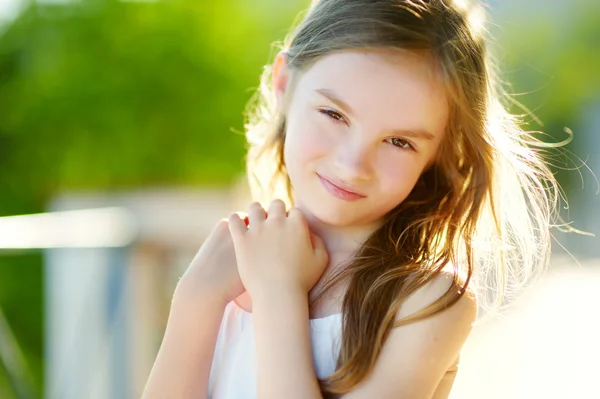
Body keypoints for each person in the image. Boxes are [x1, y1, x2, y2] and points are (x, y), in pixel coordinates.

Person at [142, 0, 572, 398]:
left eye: (399, 141)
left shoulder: (425, 300)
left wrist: (277, 293)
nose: (352, 165)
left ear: (437, 154)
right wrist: (195, 300)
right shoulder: (231, 260)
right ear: (284, 83)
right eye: (334, 114)